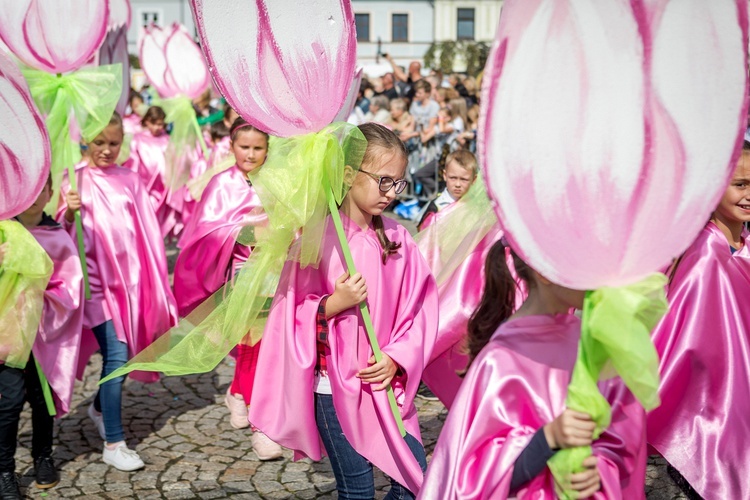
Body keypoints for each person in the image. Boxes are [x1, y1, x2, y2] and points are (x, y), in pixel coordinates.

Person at [248, 123, 439, 498]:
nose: (390, 192)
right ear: (350, 175)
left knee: (413, 479)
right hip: (332, 389)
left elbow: (421, 313)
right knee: (357, 487)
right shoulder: (317, 242)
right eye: (383, 180)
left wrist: (397, 358)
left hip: (384, 385)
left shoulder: (399, 242)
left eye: (397, 183)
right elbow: (287, 315)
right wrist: (333, 303)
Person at [418, 242, 649, 499]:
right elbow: (471, 478)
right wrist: (547, 439)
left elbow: (622, 440)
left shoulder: (595, 346)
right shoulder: (501, 360)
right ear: (544, 271)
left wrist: (599, 467)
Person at [57, 112, 178, 472]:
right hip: (95, 287)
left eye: (114, 143)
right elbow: (56, 236)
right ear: (85, 141)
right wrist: (67, 211)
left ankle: (97, 406)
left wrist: (154, 282)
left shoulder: (130, 179)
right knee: (117, 355)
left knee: (124, 356)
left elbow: (147, 233)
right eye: (99, 143)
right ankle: (114, 441)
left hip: (129, 284)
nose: (107, 150)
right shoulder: (73, 179)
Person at [173, 118, 282, 459]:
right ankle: (260, 424)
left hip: (275, 274)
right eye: (244, 147)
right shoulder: (222, 184)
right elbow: (206, 230)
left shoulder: (277, 181)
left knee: (264, 344)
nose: (250, 154)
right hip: (239, 276)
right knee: (252, 342)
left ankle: (237, 391)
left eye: (258, 148)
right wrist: (247, 231)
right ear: (231, 147)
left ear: (268, 149)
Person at [646, 142, 750, 499]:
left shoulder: (743, 246)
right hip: (709, 417)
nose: (749, 194)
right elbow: (676, 340)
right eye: (740, 184)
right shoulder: (705, 256)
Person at [0, 179, 83, 498]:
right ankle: (5, 470)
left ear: (50, 194)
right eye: (28, 191)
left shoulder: (57, 236)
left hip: (43, 336)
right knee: (8, 403)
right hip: (8, 335)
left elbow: (70, 286)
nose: (35, 199)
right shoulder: (7, 231)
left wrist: (38, 296)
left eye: (41, 192)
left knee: (41, 399)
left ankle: (43, 456)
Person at [123, 106, 177, 237]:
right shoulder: (137, 140)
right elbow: (132, 163)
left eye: (161, 124)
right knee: (147, 219)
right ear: (147, 121)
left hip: (164, 188)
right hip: (146, 188)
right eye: (155, 123)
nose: (158, 127)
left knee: (160, 222)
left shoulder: (167, 139)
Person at [417, 150, 477, 229]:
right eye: (453, 178)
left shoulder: (475, 205)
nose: (457, 184)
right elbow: (423, 232)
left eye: (464, 179)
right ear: (445, 175)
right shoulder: (437, 206)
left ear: (474, 179)